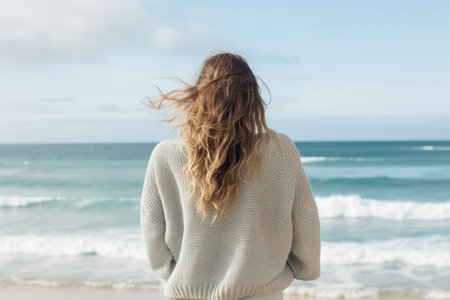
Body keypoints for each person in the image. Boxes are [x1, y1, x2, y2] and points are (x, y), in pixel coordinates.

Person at [140, 52, 321, 300]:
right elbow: (304, 217)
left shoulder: (165, 155)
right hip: (261, 293)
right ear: (252, 99)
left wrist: (174, 275)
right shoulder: (279, 149)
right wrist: (302, 267)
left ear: (197, 95)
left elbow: (152, 230)